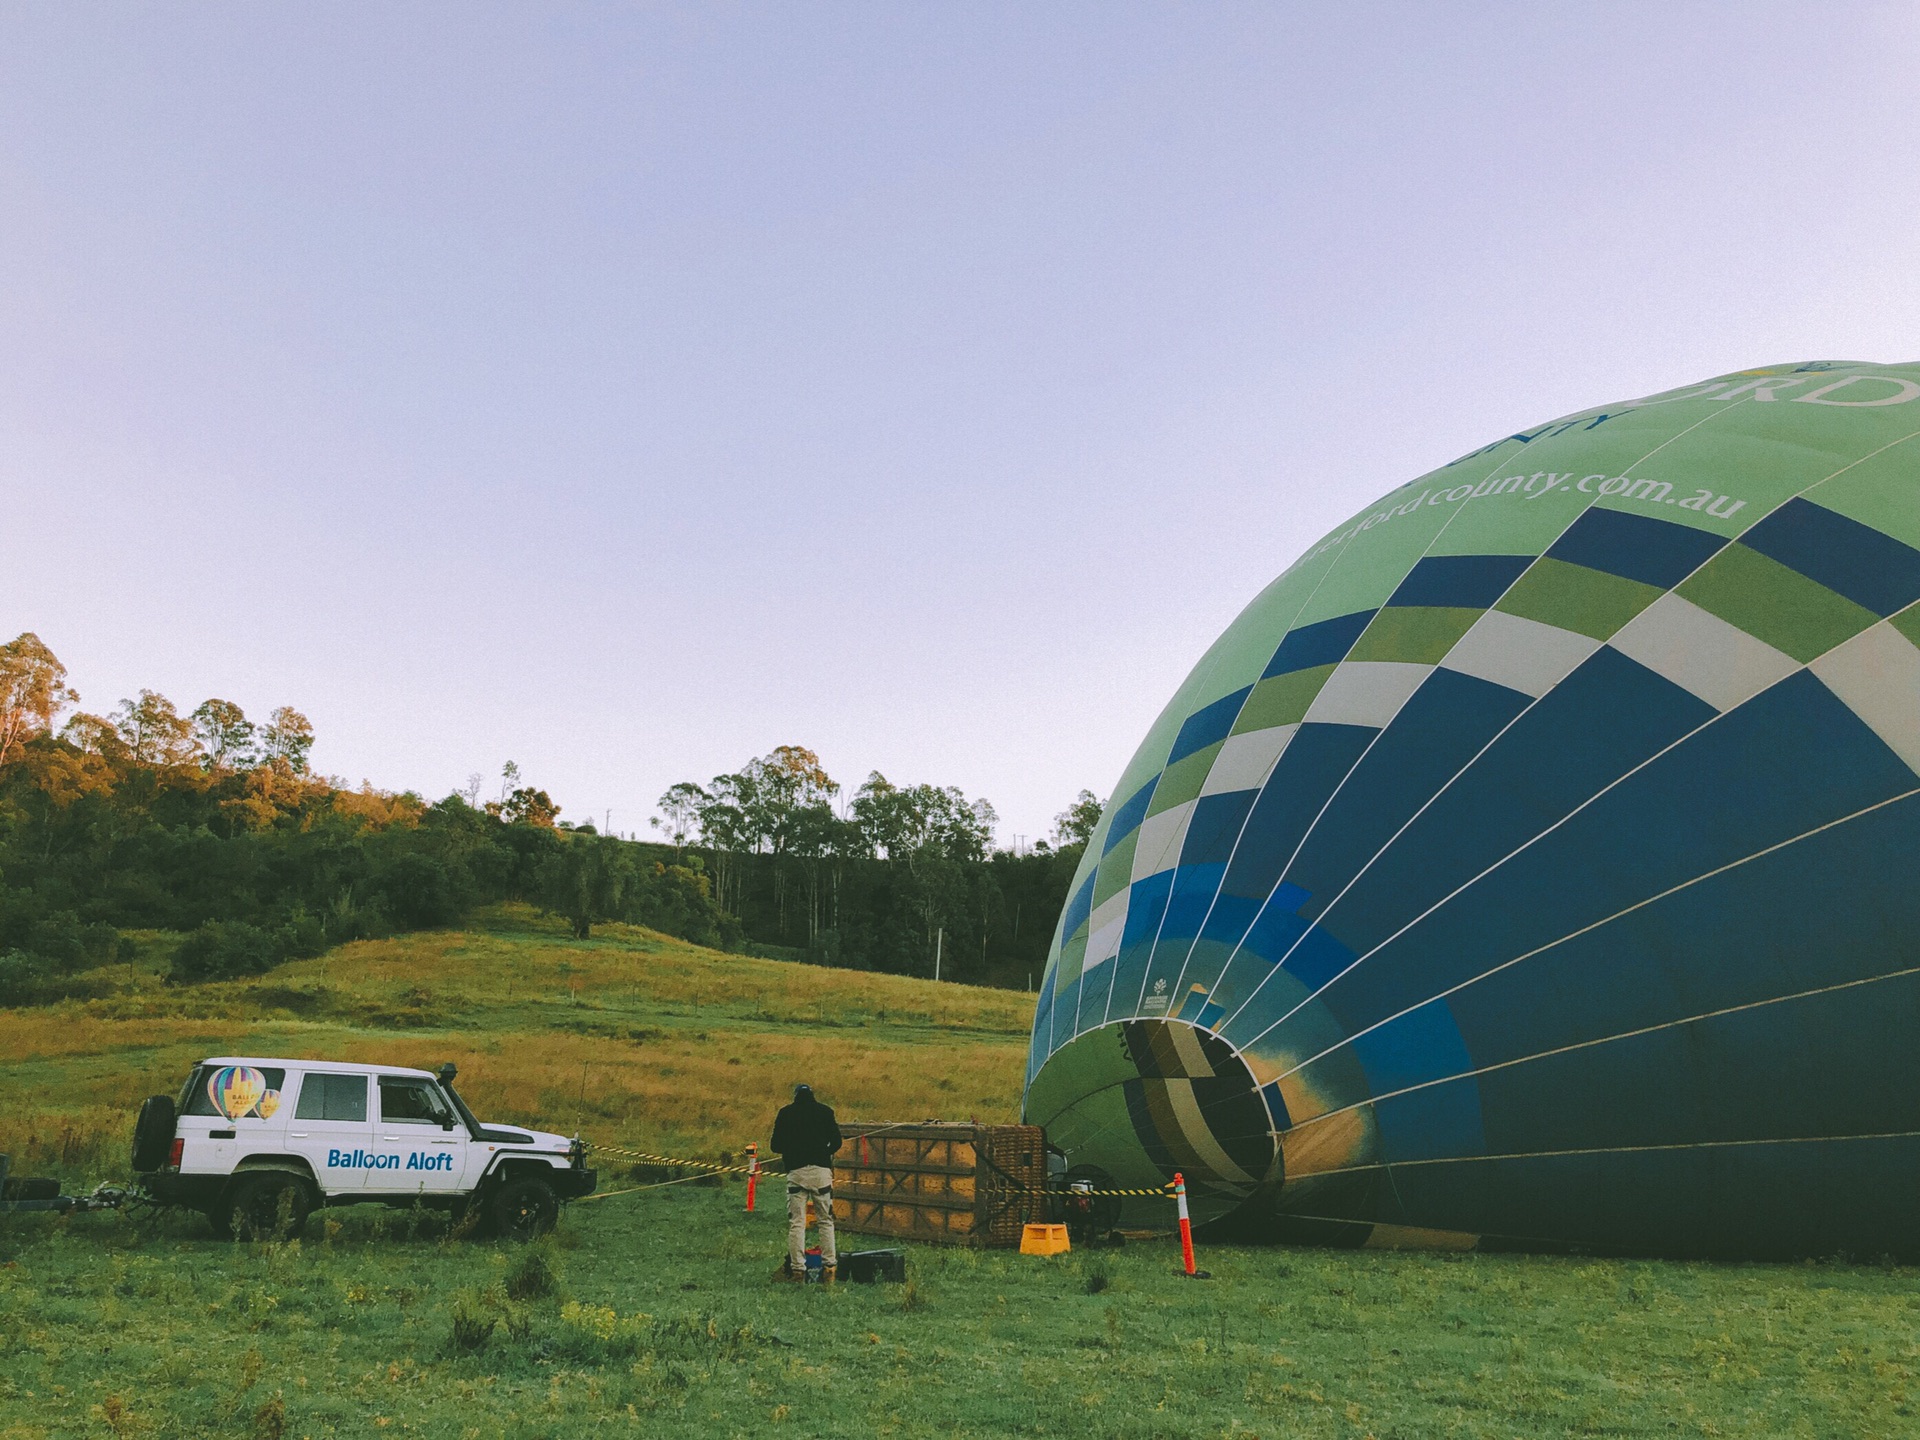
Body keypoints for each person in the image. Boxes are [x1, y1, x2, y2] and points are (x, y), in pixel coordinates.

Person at [770, 1082, 841, 1282]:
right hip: (821, 1173)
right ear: (812, 1095)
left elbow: (775, 1145)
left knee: (797, 1223)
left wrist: (793, 1151)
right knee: (826, 1221)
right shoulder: (826, 1112)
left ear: (795, 1096)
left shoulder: (786, 1113)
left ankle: (798, 1270)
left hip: (797, 1172)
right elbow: (837, 1142)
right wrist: (822, 1152)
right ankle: (829, 1269)